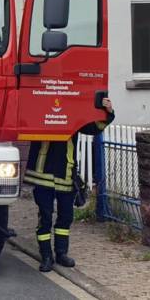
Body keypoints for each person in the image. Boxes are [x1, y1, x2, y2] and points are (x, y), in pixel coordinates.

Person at [25, 98, 115, 272]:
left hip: (66, 173)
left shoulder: (73, 112)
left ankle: (61, 253)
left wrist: (107, 111)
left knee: (66, 216)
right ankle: (46, 256)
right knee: (45, 217)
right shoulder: (38, 106)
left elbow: (93, 127)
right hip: (42, 173)